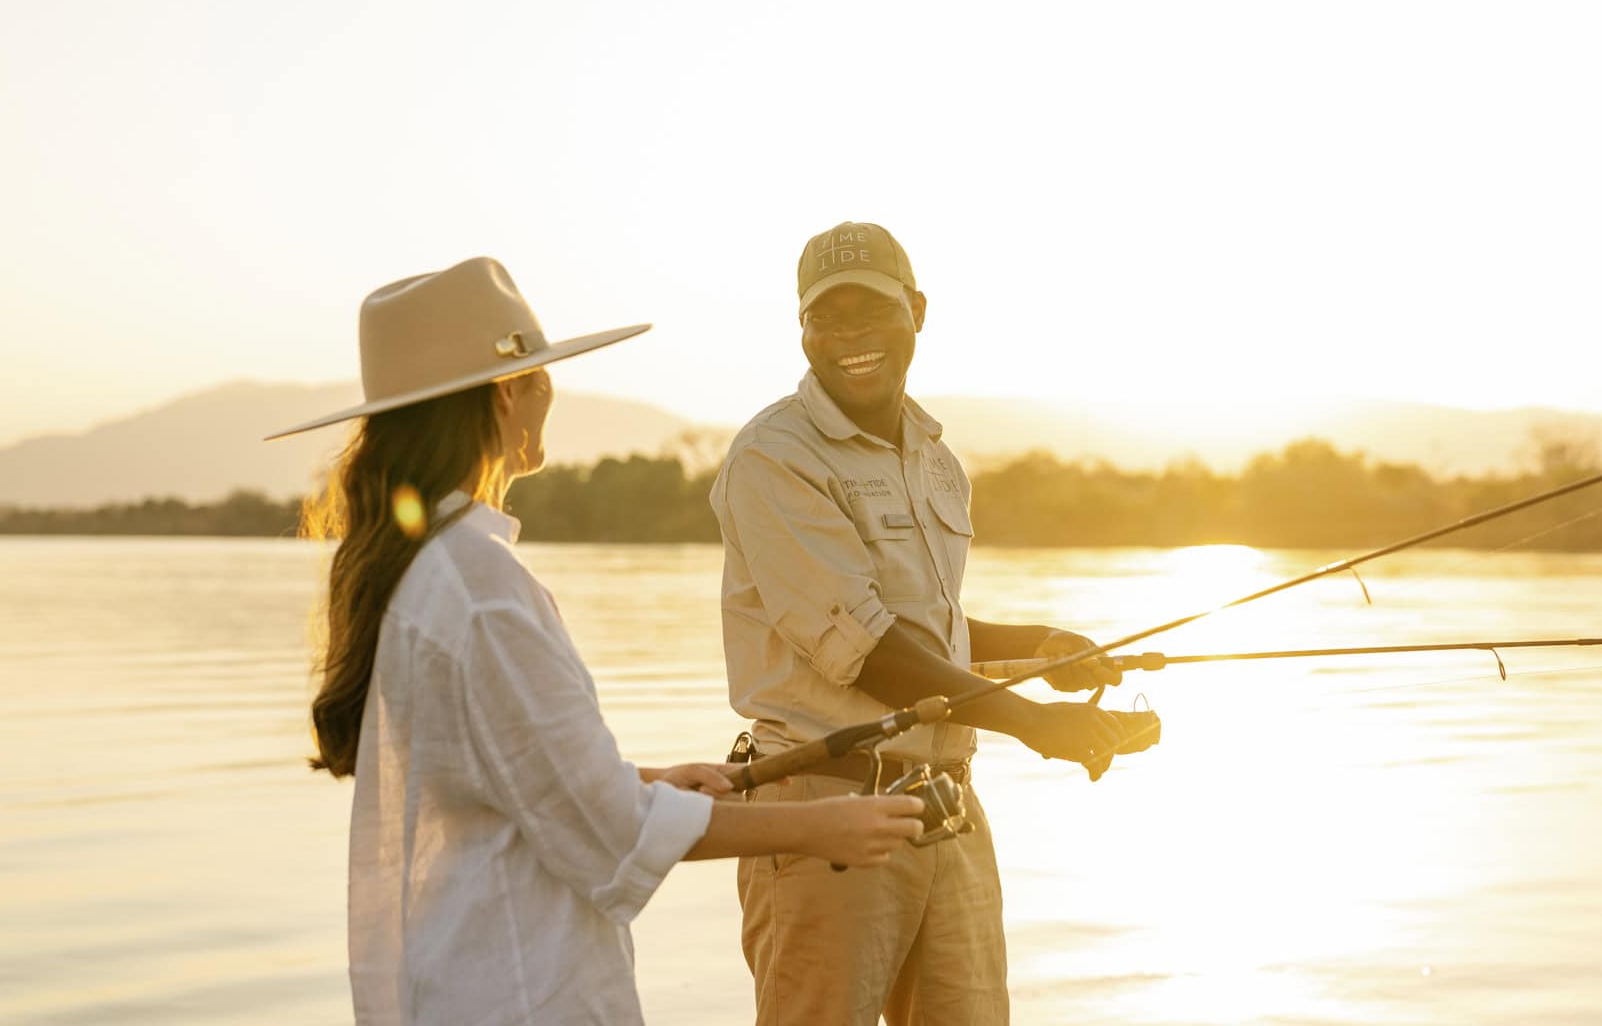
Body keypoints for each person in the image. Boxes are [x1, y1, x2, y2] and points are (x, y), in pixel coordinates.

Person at [269, 256, 924, 1026]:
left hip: (457, 981)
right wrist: (819, 827)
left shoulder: (422, 567)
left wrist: (649, 779)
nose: (550, 391)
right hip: (520, 992)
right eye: (544, 373)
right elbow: (608, 829)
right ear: (512, 391)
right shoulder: (480, 584)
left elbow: (507, 772)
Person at [711, 222, 1131, 1026]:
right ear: (800, 331)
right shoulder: (773, 457)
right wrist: (1032, 721)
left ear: (917, 312)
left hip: (949, 808)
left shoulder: (935, 457)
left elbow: (928, 632)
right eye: (824, 320)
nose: (848, 338)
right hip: (825, 811)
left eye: (869, 312)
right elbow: (866, 646)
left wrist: (1036, 650)